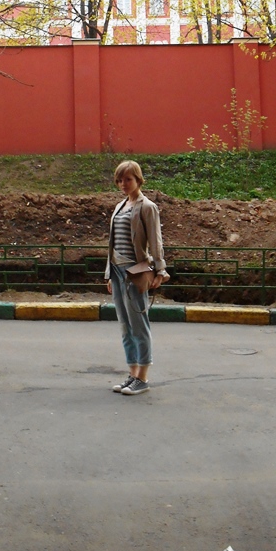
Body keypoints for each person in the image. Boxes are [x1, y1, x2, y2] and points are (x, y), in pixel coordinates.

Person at [105, 160, 169, 395]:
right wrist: (109, 274)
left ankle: (142, 377)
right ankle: (132, 374)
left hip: (135, 272)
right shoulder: (120, 206)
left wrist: (160, 271)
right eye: (120, 180)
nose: (123, 184)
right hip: (117, 271)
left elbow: (155, 240)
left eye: (128, 179)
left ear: (138, 180)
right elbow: (112, 243)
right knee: (125, 326)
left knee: (139, 325)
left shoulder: (147, 207)